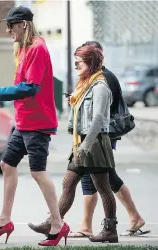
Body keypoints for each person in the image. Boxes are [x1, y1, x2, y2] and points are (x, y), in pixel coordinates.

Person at [28, 41, 148, 238]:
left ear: (91, 62)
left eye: (79, 63)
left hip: (94, 143)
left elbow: (99, 118)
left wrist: (86, 145)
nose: (76, 67)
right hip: (82, 142)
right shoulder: (86, 84)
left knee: (103, 186)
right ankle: (53, 222)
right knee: (69, 183)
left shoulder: (100, 85)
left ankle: (110, 230)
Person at [0, 6, 69, 247]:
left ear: (24, 25)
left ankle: (58, 224)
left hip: (38, 123)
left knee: (38, 172)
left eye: (12, 25)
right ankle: (4, 220)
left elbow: (31, 87)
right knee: (7, 165)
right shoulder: (25, 48)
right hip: (24, 121)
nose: (8, 30)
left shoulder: (38, 48)